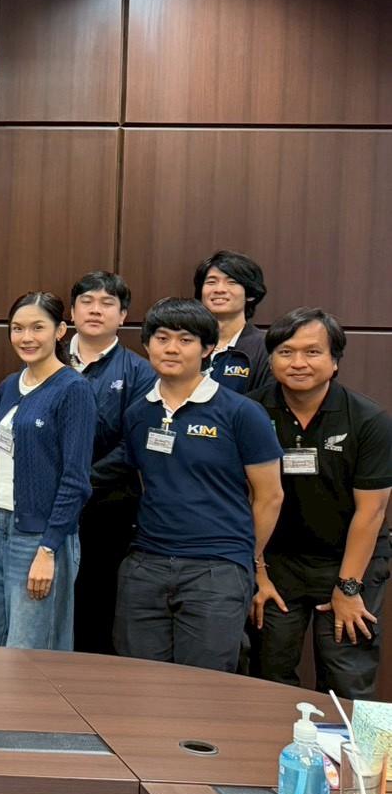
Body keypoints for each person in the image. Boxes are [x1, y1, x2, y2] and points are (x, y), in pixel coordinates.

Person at [114, 298, 283, 671]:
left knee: (204, 688)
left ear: (207, 348)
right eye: (161, 338)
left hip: (217, 570)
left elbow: (270, 496)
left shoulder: (241, 412)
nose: (171, 348)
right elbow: (145, 481)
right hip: (146, 565)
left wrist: (246, 558)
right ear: (147, 345)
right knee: (136, 683)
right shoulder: (138, 413)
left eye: (185, 340)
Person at [251, 308, 392, 698]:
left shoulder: (368, 420)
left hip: (350, 559)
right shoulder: (250, 412)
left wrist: (348, 587)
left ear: (334, 361)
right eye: (285, 352)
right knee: (269, 672)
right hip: (276, 562)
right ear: (272, 359)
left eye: (312, 352)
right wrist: (257, 572)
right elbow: (244, 498)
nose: (298, 363)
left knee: (348, 676)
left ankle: (349, 743)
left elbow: (372, 512)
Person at [0, 293, 96, 651]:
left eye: (37, 327)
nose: (26, 337)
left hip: (39, 536)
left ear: (60, 331)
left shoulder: (74, 389)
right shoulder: (10, 385)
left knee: (27, 650)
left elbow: (76, 480)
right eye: (17, 328)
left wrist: (48, 549)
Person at [66, 271, 155, 654]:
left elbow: (133, 444)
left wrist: (79, 482)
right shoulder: (47, 360)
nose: (95, 310)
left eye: (107, 303)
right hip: (46, 505)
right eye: (87, 302)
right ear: (72, 312)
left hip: (108, 508)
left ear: (122, 316)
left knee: (97, 606)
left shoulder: (139, 371)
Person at [194, 249, 271, 394]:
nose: (219, 289)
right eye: (211, 282)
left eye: (232, 282)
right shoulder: (186, 342)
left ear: (250, 294)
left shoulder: (266, 347)